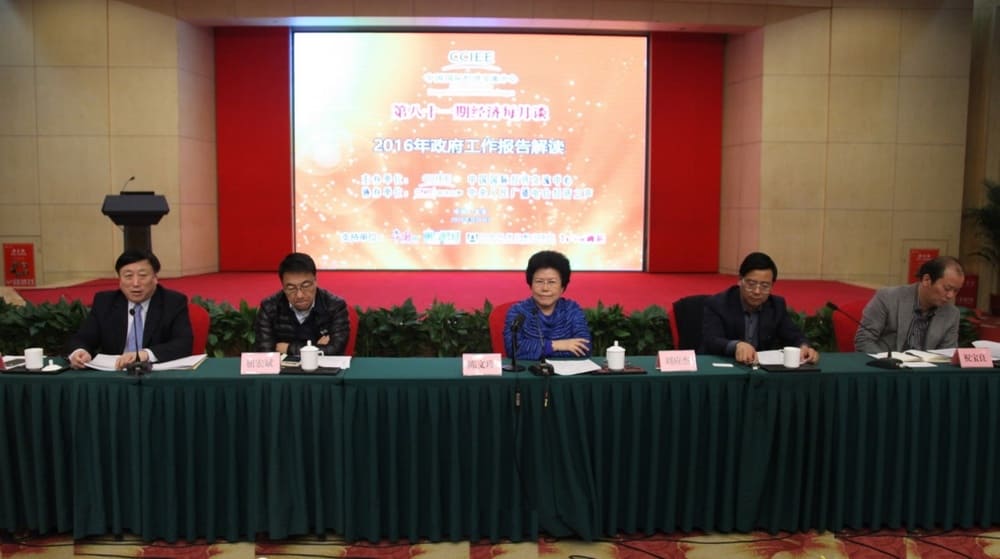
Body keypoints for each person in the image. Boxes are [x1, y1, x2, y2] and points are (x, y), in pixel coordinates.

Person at [68, 249, 193, 369]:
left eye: (142, 276)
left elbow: (183, 343)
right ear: (120, 280)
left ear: (155, 278)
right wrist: (80, 352)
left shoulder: (173, 302)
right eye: (128, 276)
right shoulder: (105, 302)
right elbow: (82, 338)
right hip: (113, 374)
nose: (135, 283)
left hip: (154, 374)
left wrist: (145, 354)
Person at [701, 251, 819, 365]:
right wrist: (737, 345)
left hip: (761, 370)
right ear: (740, 280)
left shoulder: (776, 305)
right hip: (724, 365)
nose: (757, 291)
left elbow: (794, 335)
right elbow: (711, 340)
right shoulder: (718, 303)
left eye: (764, 286)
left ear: (772, 285)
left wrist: (804, 347)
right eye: (751, 284)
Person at [854, 256, 965, 353]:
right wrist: (887, 362)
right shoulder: (888, 298)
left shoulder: (952, 314)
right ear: (926, 280)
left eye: (956, 291)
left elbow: (947, 354)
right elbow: (864, 340)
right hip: (885, 366)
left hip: (926, 369)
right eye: (947, 288)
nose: (950, 296)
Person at [254, 252, 350, 356]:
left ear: (315, 281)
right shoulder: (269, 308)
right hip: (283, 367)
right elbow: (265, 353)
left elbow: (335, 350)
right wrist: (316, 347)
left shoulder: (335, 306)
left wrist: (288, 348)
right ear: (283, 287)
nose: (299, 295)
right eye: (291, 288)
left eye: (306, 285)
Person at [503, 250, 591, 360]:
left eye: (552, 282)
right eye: (539, 281)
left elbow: (584, 348)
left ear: (562, 287)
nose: (545, 288)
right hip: (530, 370)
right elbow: (514, 350)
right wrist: (556, 345)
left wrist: (535, 350)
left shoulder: (572, 310)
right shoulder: (518, 312)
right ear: (530, 285)